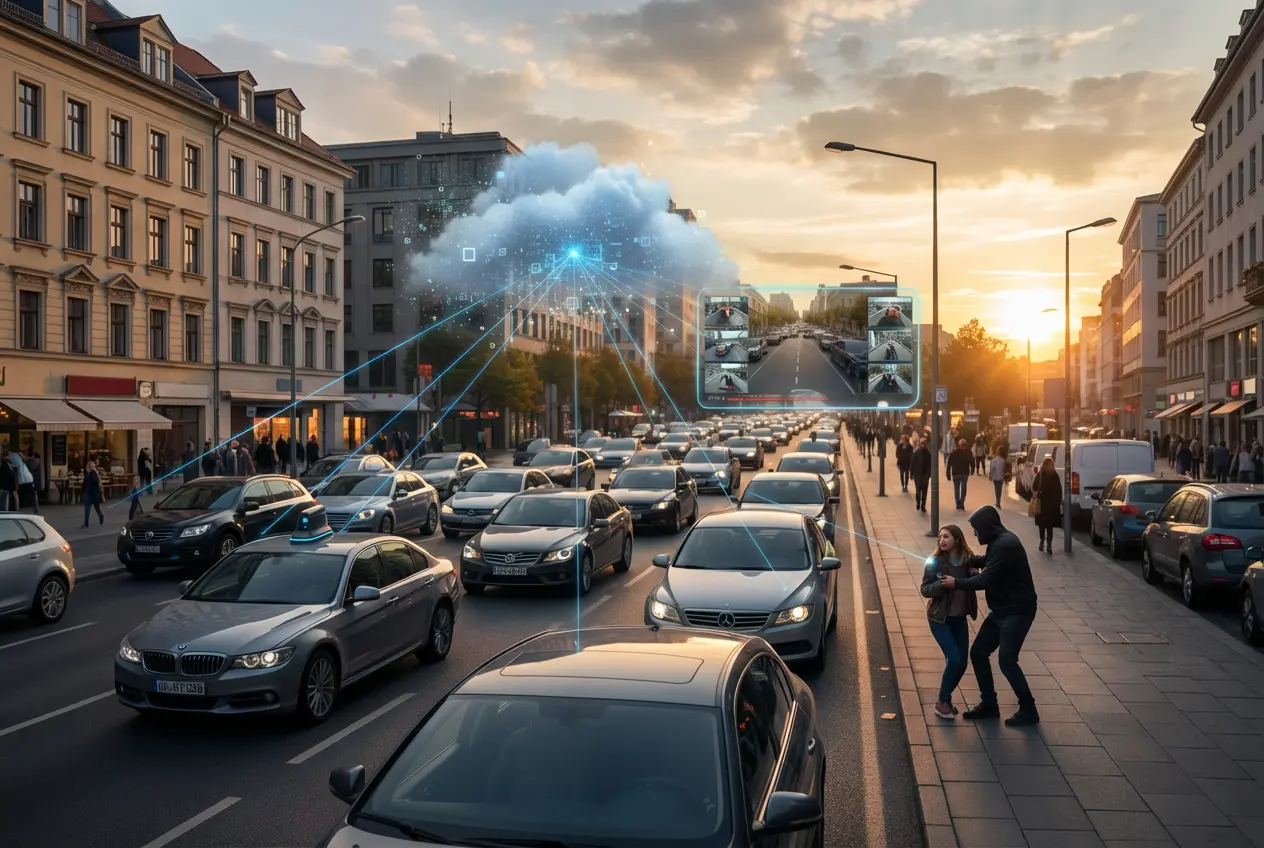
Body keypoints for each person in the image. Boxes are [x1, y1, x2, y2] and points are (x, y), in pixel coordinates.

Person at [938, 505, 1040, 726]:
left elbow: (985, 580)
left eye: (976, 529)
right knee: (978, 652)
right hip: (1002, 610)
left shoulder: (1006, 544)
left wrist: (956, 582)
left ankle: (1029, 709)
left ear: (986, 526)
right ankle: (990, 704)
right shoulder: (998, 540)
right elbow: (987, 562)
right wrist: (962, 557)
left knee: (1007, 661)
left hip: (1017, 611)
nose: (975, 533)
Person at [921, 525, 979, 720]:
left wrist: (974, 576)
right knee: (954, 659)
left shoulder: (966, 561)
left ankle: (945, 700)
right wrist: (941, 585)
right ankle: (941, 701)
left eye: (946, 536)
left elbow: (974, 582)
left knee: (961, 663)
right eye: (939, 537)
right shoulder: (935, 562)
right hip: (940, 619)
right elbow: (925, 589)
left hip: (959, 618)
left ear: (957, 538)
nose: (941, 540)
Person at [1033, 456, 1063, 553]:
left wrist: (1037, 493)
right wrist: (1058, 502)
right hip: (1052, 505)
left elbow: (1033, 486)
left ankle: (1042, 541)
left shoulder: (1040, 474)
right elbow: (1059, 490)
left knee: (1042, 525)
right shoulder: (1055, 475)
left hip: (1042, 503)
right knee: (1049, 527)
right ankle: (1049, 545)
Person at [947, 438, 974, 510]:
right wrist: (948, 473)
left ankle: (961, 502)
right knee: (957, 489)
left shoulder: (968, 452)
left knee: (963, 489)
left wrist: (973, 469)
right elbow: (949, 463)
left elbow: (972, 461)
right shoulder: (954, 453)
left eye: (964, 445)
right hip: (956, 473)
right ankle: (958, 503)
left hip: (964, 473)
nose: (963, 446)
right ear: (959, 445)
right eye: (962, 445)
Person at [910, 436, 932, 512]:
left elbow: (930, 464)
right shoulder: (916, 452)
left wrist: (929, 474)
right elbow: (912, 463)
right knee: (918, 490)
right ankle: (918, 503)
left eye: (924, 443)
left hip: (925, 474)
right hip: (918, 474)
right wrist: (911, 473)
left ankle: (923, 505)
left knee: (925, 491)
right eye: (922, 443)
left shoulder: (928, 453)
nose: (923, 445)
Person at [82, 460, 105, 527]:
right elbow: (85, 483)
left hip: (93, 494)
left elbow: (95, 481)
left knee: (96, 508)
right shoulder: (87, 474)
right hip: (88, 493)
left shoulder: (93, 473)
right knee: (87, 508)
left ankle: (101, 515)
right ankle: (86, 523)